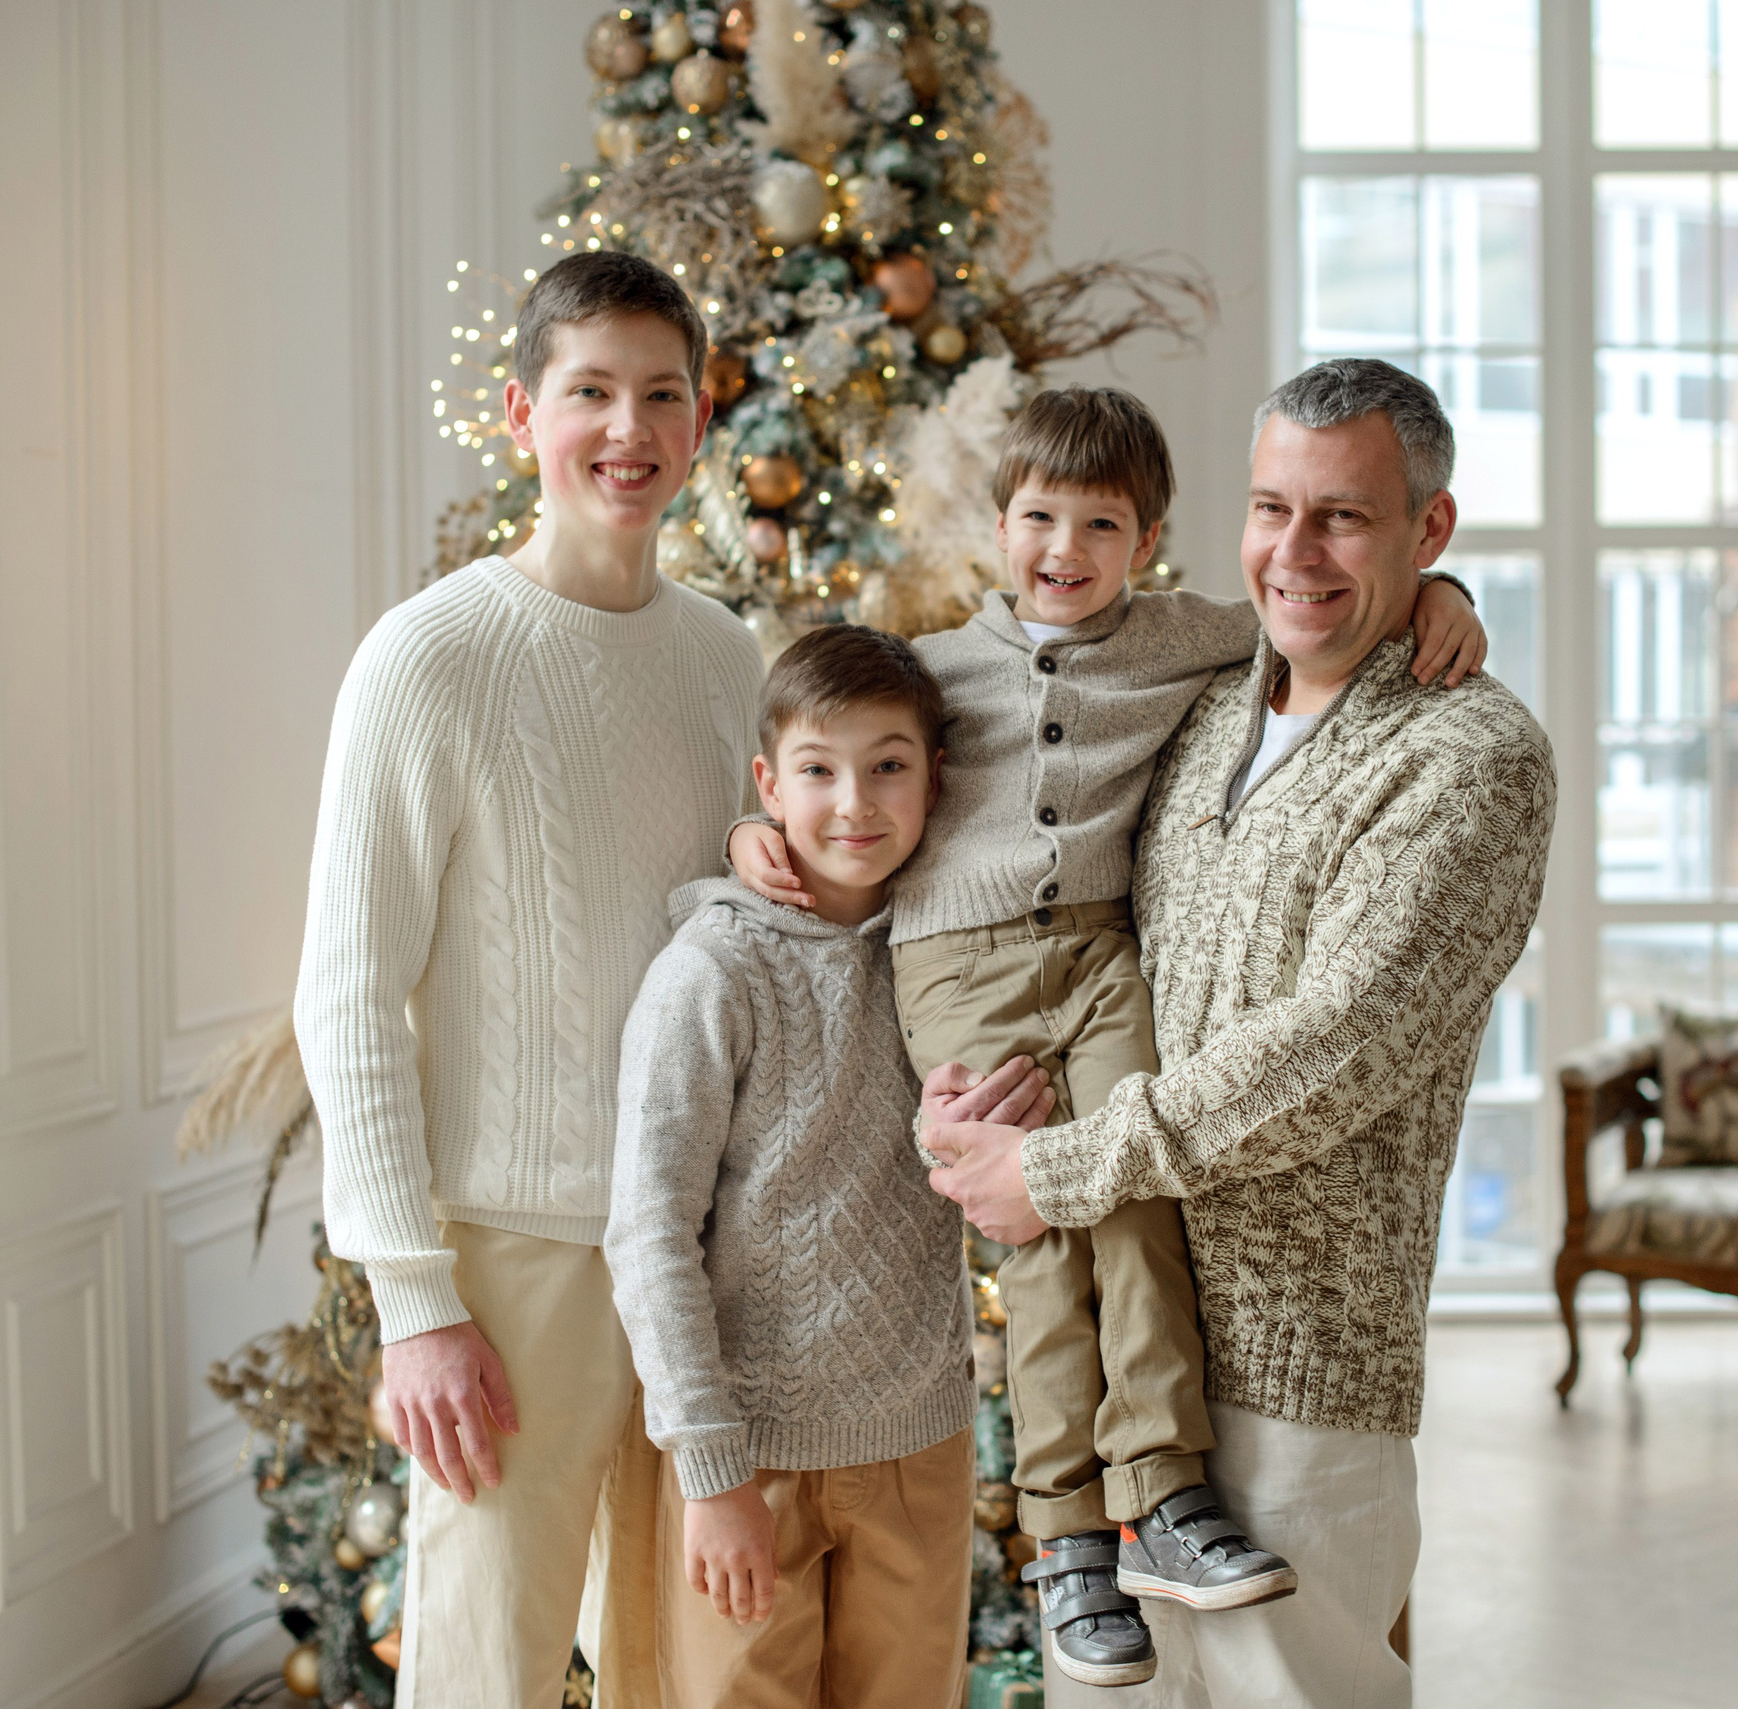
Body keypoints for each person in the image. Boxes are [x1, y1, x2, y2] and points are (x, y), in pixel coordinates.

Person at [727, 386, 1489, 1687]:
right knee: (1034, 1248)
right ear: (1000, 522)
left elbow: (1316, 600)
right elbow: (828, 756)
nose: (1063, 551)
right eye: (1037, 518)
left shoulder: (1183, 640)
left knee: (1133, 1198)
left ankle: (1164, 1494)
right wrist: (764, 839)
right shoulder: (932, 668)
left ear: (1149, 540)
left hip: (1098, 956)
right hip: (961, 973)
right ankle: (1066, 1531)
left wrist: (1444, 590)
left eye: (1100, 524)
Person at [925, 358, 1557, 1708]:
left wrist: (1051, 1171)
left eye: (1344, 516)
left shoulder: (1467, 756)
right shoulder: (1210, 698)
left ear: (1428, 531)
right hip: (1124, 1379)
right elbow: (1017, 906)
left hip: (1296, 1382)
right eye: (1273, 507)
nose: (1295, 551)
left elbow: (1332, 1049)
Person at [295, 249, 765, 1709]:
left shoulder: (729, 659)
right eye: (591, 393)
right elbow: (348, 993)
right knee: (483, 1671)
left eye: (662, 395)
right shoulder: (426, 659)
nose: (628, 429)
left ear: (701, 423)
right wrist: (416, 1303)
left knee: (685, 1667)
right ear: (521, 411)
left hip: (693, 1258)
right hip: (511, 1263)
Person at [606, 626, 1055, 1709]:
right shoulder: (710, 973)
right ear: (768, 785)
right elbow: (648, 1230)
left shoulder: (953, 957)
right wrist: (712, 1474)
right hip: (749, 1452)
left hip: (920, 1441)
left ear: (936, 776)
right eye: (818, 769)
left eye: (888, 764)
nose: (855, 801)